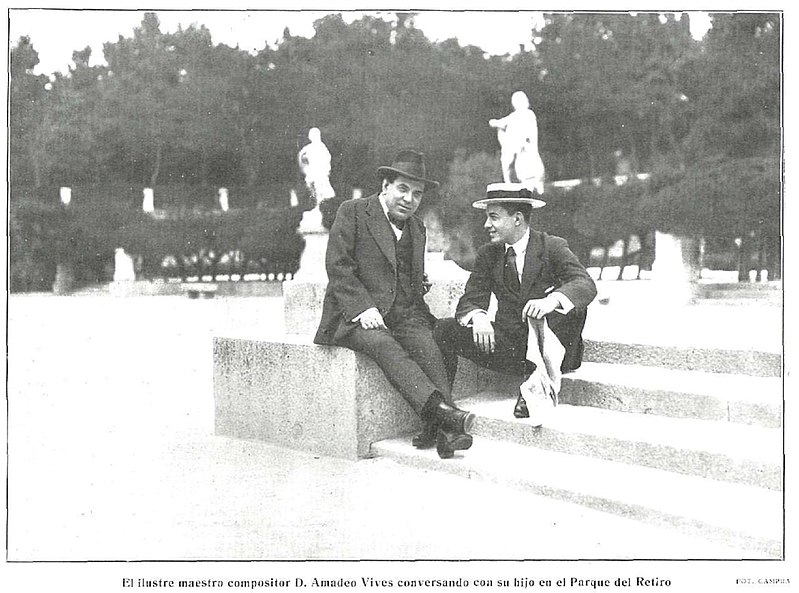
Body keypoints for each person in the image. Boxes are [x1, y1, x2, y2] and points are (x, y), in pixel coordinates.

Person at [314, 149, 476, 459]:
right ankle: (445, 418)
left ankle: (443, 429)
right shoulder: (353, 212)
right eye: (402, 189)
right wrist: (363, 308)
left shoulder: (416, 228)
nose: (409, 199)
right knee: (383, 344)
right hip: (353, 315)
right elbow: (338, 267)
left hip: (403, 312)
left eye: (416, 194)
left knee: (429, 348)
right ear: (385, 186)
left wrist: (418, 283)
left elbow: (406, 274)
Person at [434, 183, 597, 425]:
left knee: (573, 308)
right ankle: (442, 408)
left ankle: (533, 389)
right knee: (443, 329)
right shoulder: (489, 254)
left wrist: (551, 301)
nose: (486, 225)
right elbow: (471, 298)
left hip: (548, 347)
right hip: (509, 348)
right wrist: (478, 316)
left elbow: (585, 284)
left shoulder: (551, 246)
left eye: (493, 217)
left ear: (517, 218)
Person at [489, 91, 545, 194]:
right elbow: (500, 122)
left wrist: (524, 141)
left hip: (528, 149)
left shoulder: (529, 114)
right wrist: (494, 123)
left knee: (533, 173)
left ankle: (536, 189)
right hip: (520, 150)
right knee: (522, 174)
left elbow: (530, 132)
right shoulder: (514, 116)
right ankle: (511, 184)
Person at [298, 127, 336, 202]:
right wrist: (305, 169)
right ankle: (315, 205)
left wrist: (326, 170)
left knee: (321, 190)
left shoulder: (322, 147)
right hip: (311, 172)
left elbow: (327, 159)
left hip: (320, 173)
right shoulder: (307, 148)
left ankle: (320, 206)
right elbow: (300, 157)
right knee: (313, 190)